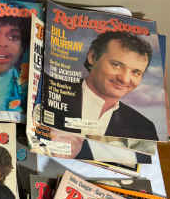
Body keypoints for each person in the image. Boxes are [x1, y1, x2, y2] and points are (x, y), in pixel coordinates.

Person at [58, 31, 158, 159]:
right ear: (93, 57)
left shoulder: (145, 127)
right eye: (116, 65)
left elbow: (142, 164)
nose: (125, 79)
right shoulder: (51, 88)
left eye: (136, 72)